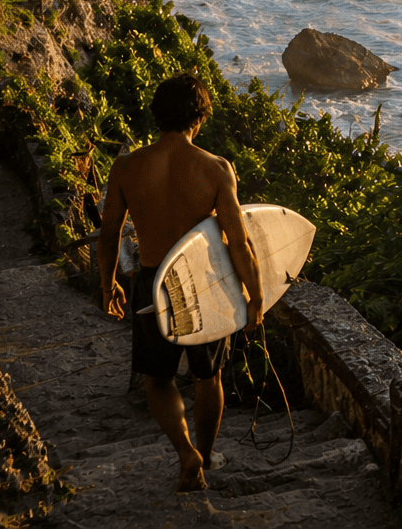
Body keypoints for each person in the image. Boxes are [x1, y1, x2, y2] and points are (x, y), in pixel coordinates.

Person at [99, 74, 263, 494]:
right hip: (203, 284)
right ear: (200, 116)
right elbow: (239, 242)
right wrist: (256, 295)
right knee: (209, 377)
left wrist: (108, 284)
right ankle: (205, 457)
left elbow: (109, 234)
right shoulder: (216, 168)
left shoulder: (127, 166)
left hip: (153, 280)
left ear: (157, 114)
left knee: (158, 378)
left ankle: (184, 451)